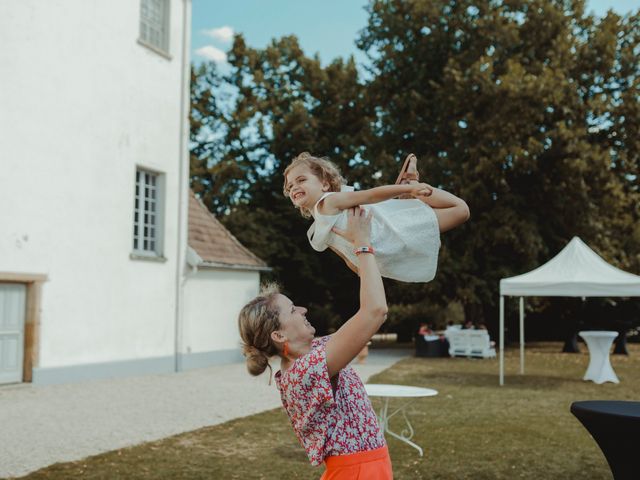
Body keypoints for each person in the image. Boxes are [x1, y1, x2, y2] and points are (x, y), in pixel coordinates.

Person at [238, 207, 393, 479]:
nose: (303, 310)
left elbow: (370, 298)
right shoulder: (304, 371)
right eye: (292, 310)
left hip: (367, 469)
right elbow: (375, 311)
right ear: (279, 336)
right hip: (357, 473)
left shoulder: (316, 351)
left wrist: (350, 237)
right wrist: (362, 243)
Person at [283, 152, 470, 282]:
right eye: (290, 186)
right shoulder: (318, 229)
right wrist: (362, 271)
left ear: (324, 185)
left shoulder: (330, 201)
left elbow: (371, 195)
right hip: (385, 249)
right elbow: (346, 256)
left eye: (301, 180)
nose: (294, 188)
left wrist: (410, 188)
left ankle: (413, 183)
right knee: (458, 211)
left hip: (394, 229)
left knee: (461, 210)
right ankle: (407, 197)